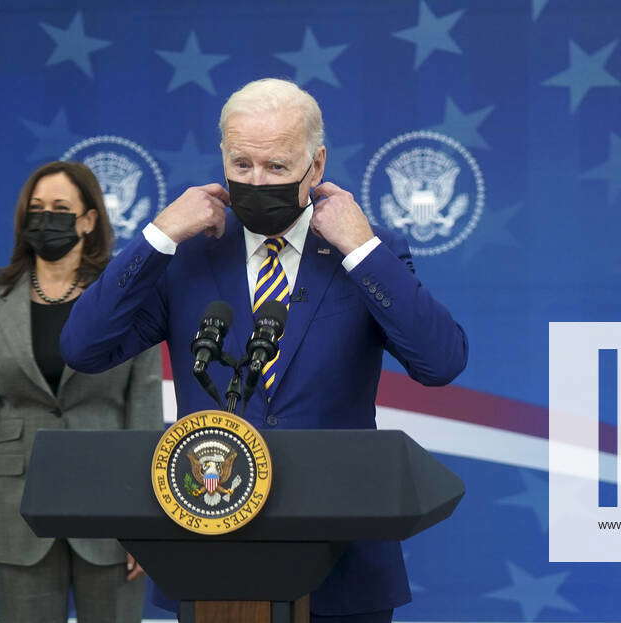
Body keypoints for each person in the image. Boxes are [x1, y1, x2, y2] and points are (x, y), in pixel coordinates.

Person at [60, 78, 468, 623]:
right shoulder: (187, 254)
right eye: (242, 164)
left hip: (340, 555)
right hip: (211, 548)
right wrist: (157, 236)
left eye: (277, 167)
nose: (257, 181)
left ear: (315, 166)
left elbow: (440, 362)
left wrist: (362, 249)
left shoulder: (367, 251)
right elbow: (84, 348)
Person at [0, 161, 164, 622]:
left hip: (111, 508)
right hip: (17, 510)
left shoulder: (125, 297)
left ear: (88, 220)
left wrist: (147, 524)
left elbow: (145, 410)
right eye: (36, 208)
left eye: (60, 208)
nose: (45, 218)